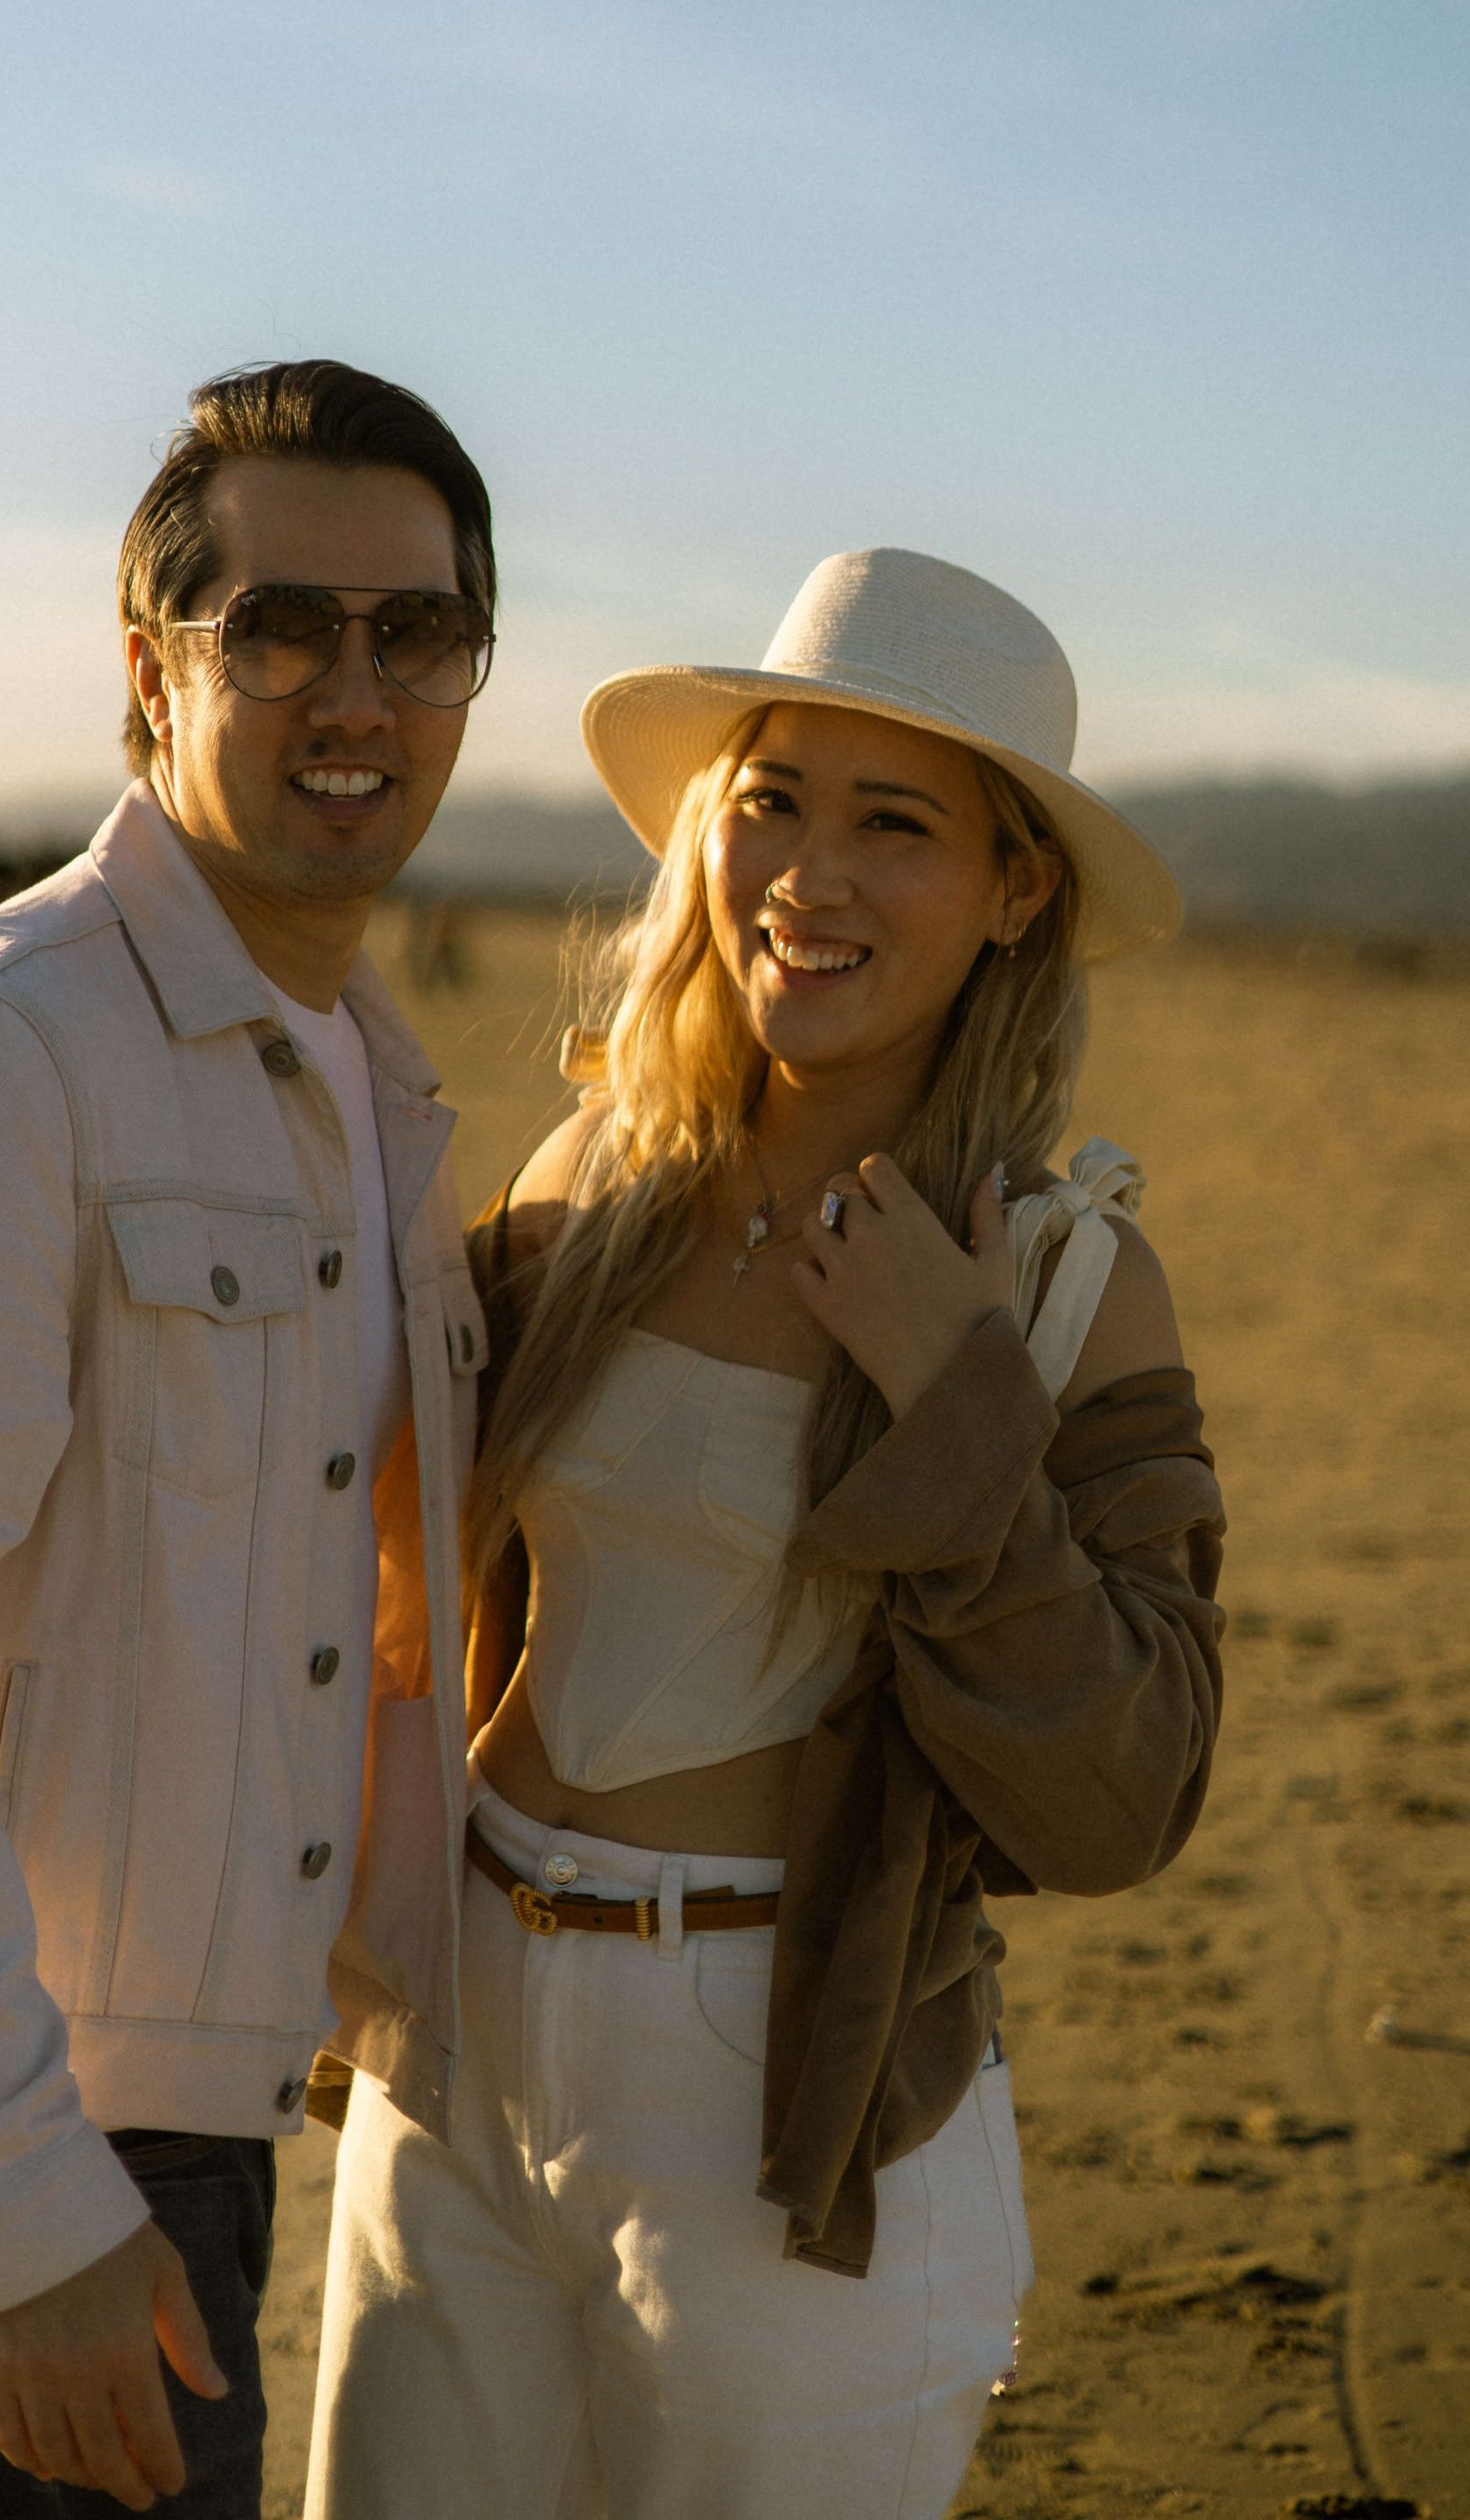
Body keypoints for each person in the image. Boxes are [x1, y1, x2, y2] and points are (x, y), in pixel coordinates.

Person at [308, 545, 1227, 2520]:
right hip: (457, 2029)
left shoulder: (1062, 1282)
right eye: (771, 801)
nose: (808, 872)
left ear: (1016, 889)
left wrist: (956, 1400)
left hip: (782, 2094)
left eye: (894, 823)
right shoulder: (593, 1176)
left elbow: (1127, 1791)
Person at [0, 359, 501, 2517]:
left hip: (189, 2121)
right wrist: (10, 2196)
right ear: (150, 671)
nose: (358, 688)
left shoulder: (361, 1085)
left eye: (418, 631)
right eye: (281, 627)